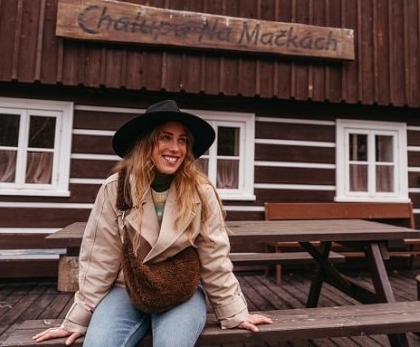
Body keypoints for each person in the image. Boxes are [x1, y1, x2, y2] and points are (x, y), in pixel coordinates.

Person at [33, 100, 272, 346]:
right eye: (165, 137)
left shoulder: (201, 191)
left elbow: (214, 257)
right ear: (145, 142)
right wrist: (77, 319)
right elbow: (100, 256)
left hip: (181, 292)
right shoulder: (116, 188)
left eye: (182, 140)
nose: (175, 148)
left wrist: (234, 312)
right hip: (126, 288)